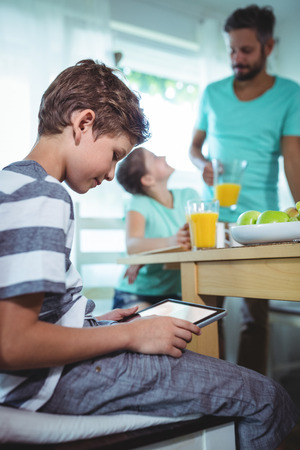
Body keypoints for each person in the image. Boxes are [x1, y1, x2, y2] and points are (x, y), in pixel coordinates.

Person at [0, 59, 298, 450]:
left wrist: (97, 322)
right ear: (84, 123)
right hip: (49, 383)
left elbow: (29, 312)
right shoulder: (44, 196)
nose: (111, 174)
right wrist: (132, 333)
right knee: (269, 400)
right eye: (115, 155)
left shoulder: (12, 183)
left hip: (43, 377)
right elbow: (14, 343)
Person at [189, 4, 300, 375]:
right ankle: (214, 399)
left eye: (246, 50)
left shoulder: (289, 94)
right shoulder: (212, 93)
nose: (236, 58)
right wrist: (199, 163)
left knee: (255, 319)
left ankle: (251, 407)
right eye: (231, 50)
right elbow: (194, 147)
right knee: (205, 315)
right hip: (214, 222)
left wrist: (299, 210)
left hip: (261, 226)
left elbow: (293, 158)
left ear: (269, 47)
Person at [113, 146, 199, 311]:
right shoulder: (139, 202)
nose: (163, 156)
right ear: (148, 179)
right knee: (151, 324)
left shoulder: (189, 196)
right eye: (154, 158)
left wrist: (150, 253)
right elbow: (132, 245)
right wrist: (171, 242)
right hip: (136, 292)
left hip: (174, 292)